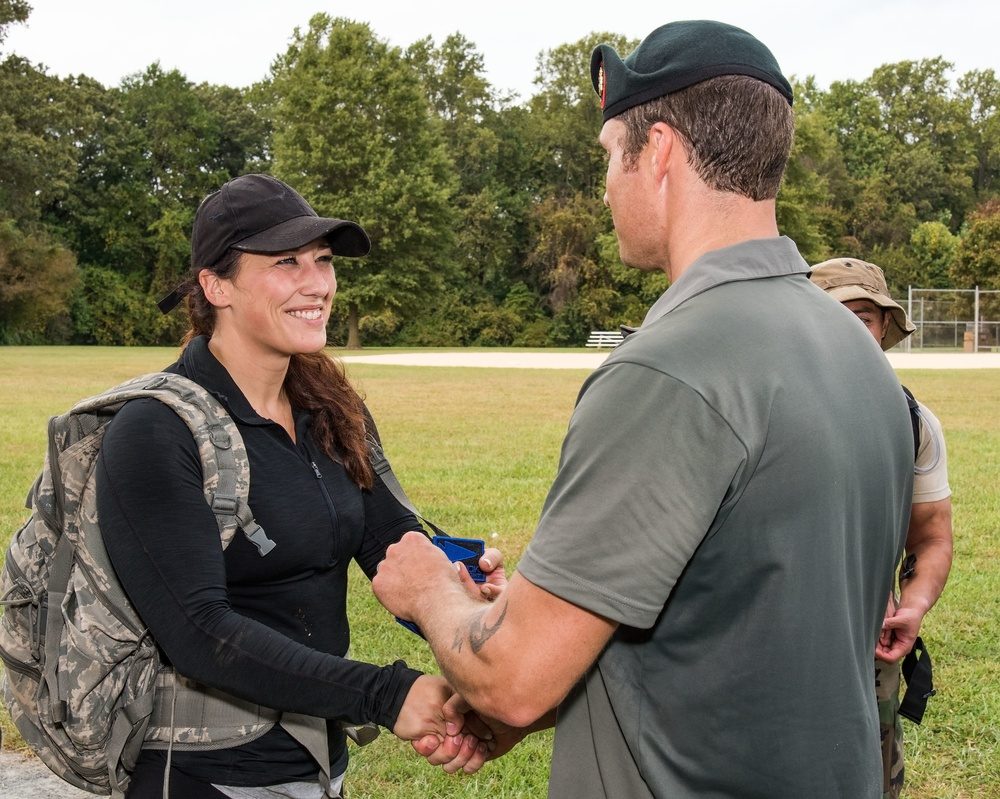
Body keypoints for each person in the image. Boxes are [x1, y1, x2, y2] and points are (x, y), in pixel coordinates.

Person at [373, 20, 915, 798]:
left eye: (606, 157)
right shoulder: (853, 345)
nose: (603, 187)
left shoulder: (670, 366)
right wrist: (538, 610)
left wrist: (431, 588)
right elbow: (740, 621)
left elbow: (515, 680)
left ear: (657, 151)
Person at [96, 174, 494, 799]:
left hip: (316, 763)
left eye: (324, 260)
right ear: (214, 285)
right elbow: (201, 634)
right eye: (286, 263)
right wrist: (386, 694)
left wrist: (460, 585)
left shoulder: (329, 409)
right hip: (208, 776)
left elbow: (390, 542)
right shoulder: (155, 431)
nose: (318, 284)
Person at [810, 257, 954, 799]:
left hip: (869, 654)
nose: (851, 330)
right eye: (834, 314)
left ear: (884, 329)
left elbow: (931, 535)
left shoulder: (911, 420)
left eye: (864, 317)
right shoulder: (754, 406)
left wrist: (913, 603)